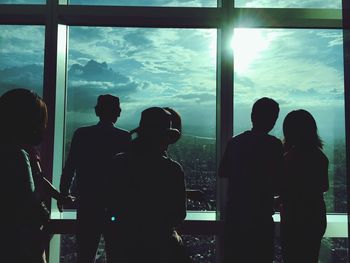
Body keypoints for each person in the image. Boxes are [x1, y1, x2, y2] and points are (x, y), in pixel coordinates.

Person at [106, 107, 188, 263]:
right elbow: (178, 214)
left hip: (123, 246)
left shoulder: (118, 163)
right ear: (164, 138)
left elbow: (111, 203)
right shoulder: (172, 169)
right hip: (161, 247)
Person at [59, 94, 131, 263]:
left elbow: (70, 166)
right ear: (118, 112)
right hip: (115, 206)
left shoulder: (82, 134)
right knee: (116, 254)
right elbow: (128, 174)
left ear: (98, 111)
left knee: (85, 254)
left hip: (88, 205)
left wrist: (64, 192)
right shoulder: (124, 137)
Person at [0, 88, 70, 262]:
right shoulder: (17, 154)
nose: (44, 126)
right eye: (41, 120)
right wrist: (45, 218)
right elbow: (28, 199)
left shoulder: (14, 150)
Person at [219, 97, 284, 263]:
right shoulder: (274, 145)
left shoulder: (236, 142)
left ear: (253, 115)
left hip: (236, 215)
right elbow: (279, 183)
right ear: (272, 119)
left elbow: (223, 171)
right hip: (260, 217)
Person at [280, 109, 329, 263]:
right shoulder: (319, 155)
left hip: (293, 217)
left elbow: (283, 187)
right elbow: (324, 186)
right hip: (315, 216)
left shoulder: (289, 157)